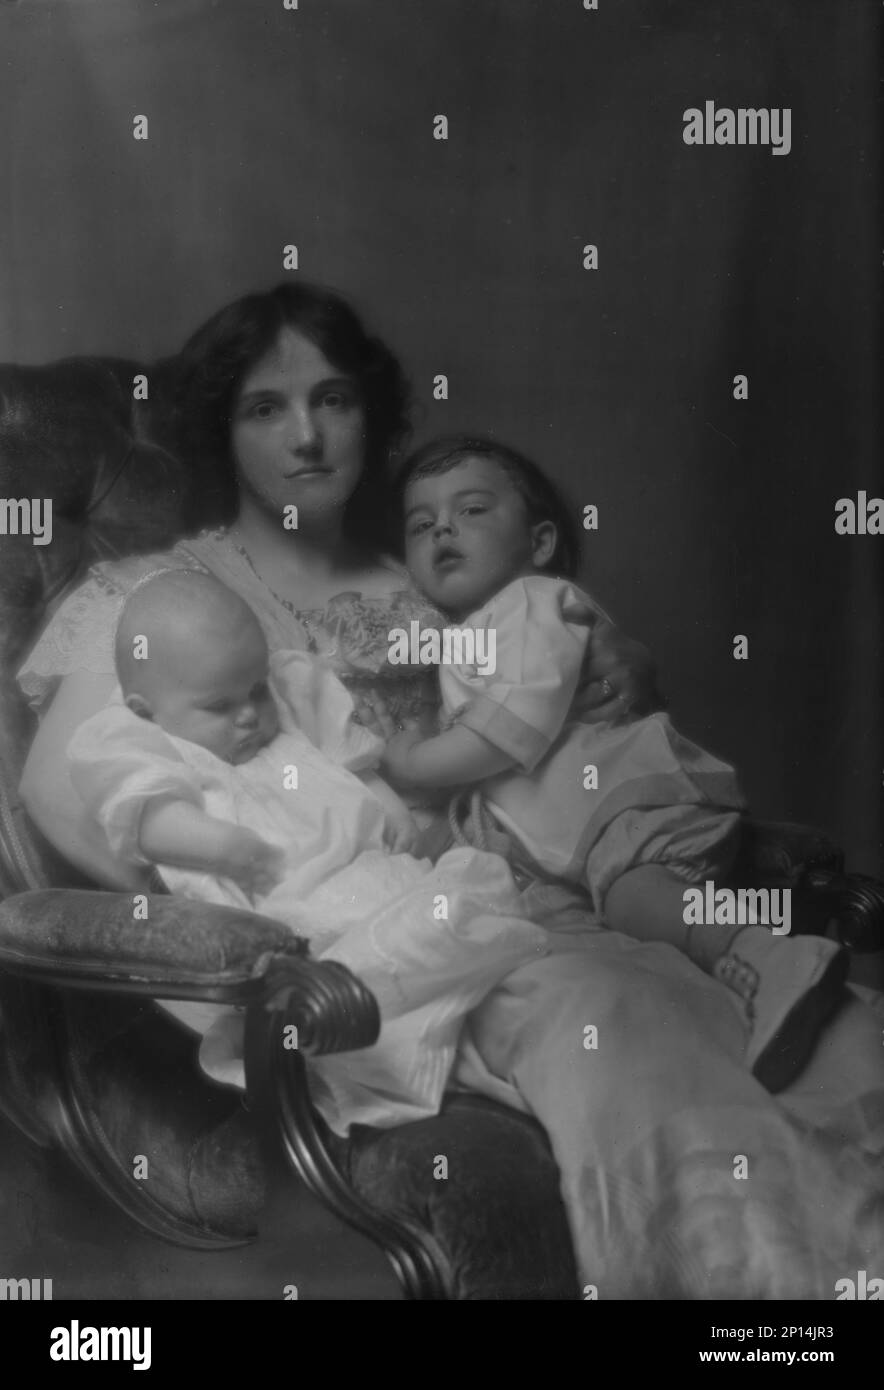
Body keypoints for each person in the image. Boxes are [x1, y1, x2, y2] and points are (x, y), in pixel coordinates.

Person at [17, 281, 884, 1298]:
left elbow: (555, 706)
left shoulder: (432, 574)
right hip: (358, 939)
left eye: (333, 399)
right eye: (265, 407)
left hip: (526, 887)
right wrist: (245, 882)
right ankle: (749, 1295)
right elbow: (66, 784)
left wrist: (617, 663)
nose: (305, 434)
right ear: (223, 428)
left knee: (830, 1036)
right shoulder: (163, 595)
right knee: (614, 1018)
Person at [381, 434, 848, 1093]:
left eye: (473, 511)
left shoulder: (535, 604)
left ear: (540, 542)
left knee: (640, 901)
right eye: (421, 525)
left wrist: (414, 762)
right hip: (590, 835)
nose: (443, 530)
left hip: (630, 804)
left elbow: (506, 733)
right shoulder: (463, 640)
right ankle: (741, 1018)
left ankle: (770, 956)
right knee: (615, 947)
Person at [65, 567, 547, 1133]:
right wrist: (220, 846)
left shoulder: (290, 711)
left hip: (382, 880)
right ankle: (428, 1030)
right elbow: (150, 824)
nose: (249, 715)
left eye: (256, 690)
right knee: (374, 971)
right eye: (220, 706)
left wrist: (385, 805)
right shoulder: (153, 751)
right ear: (148, 711)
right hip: (301, 923)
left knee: (467, 889)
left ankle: (467, 1005)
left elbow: (351, 767)